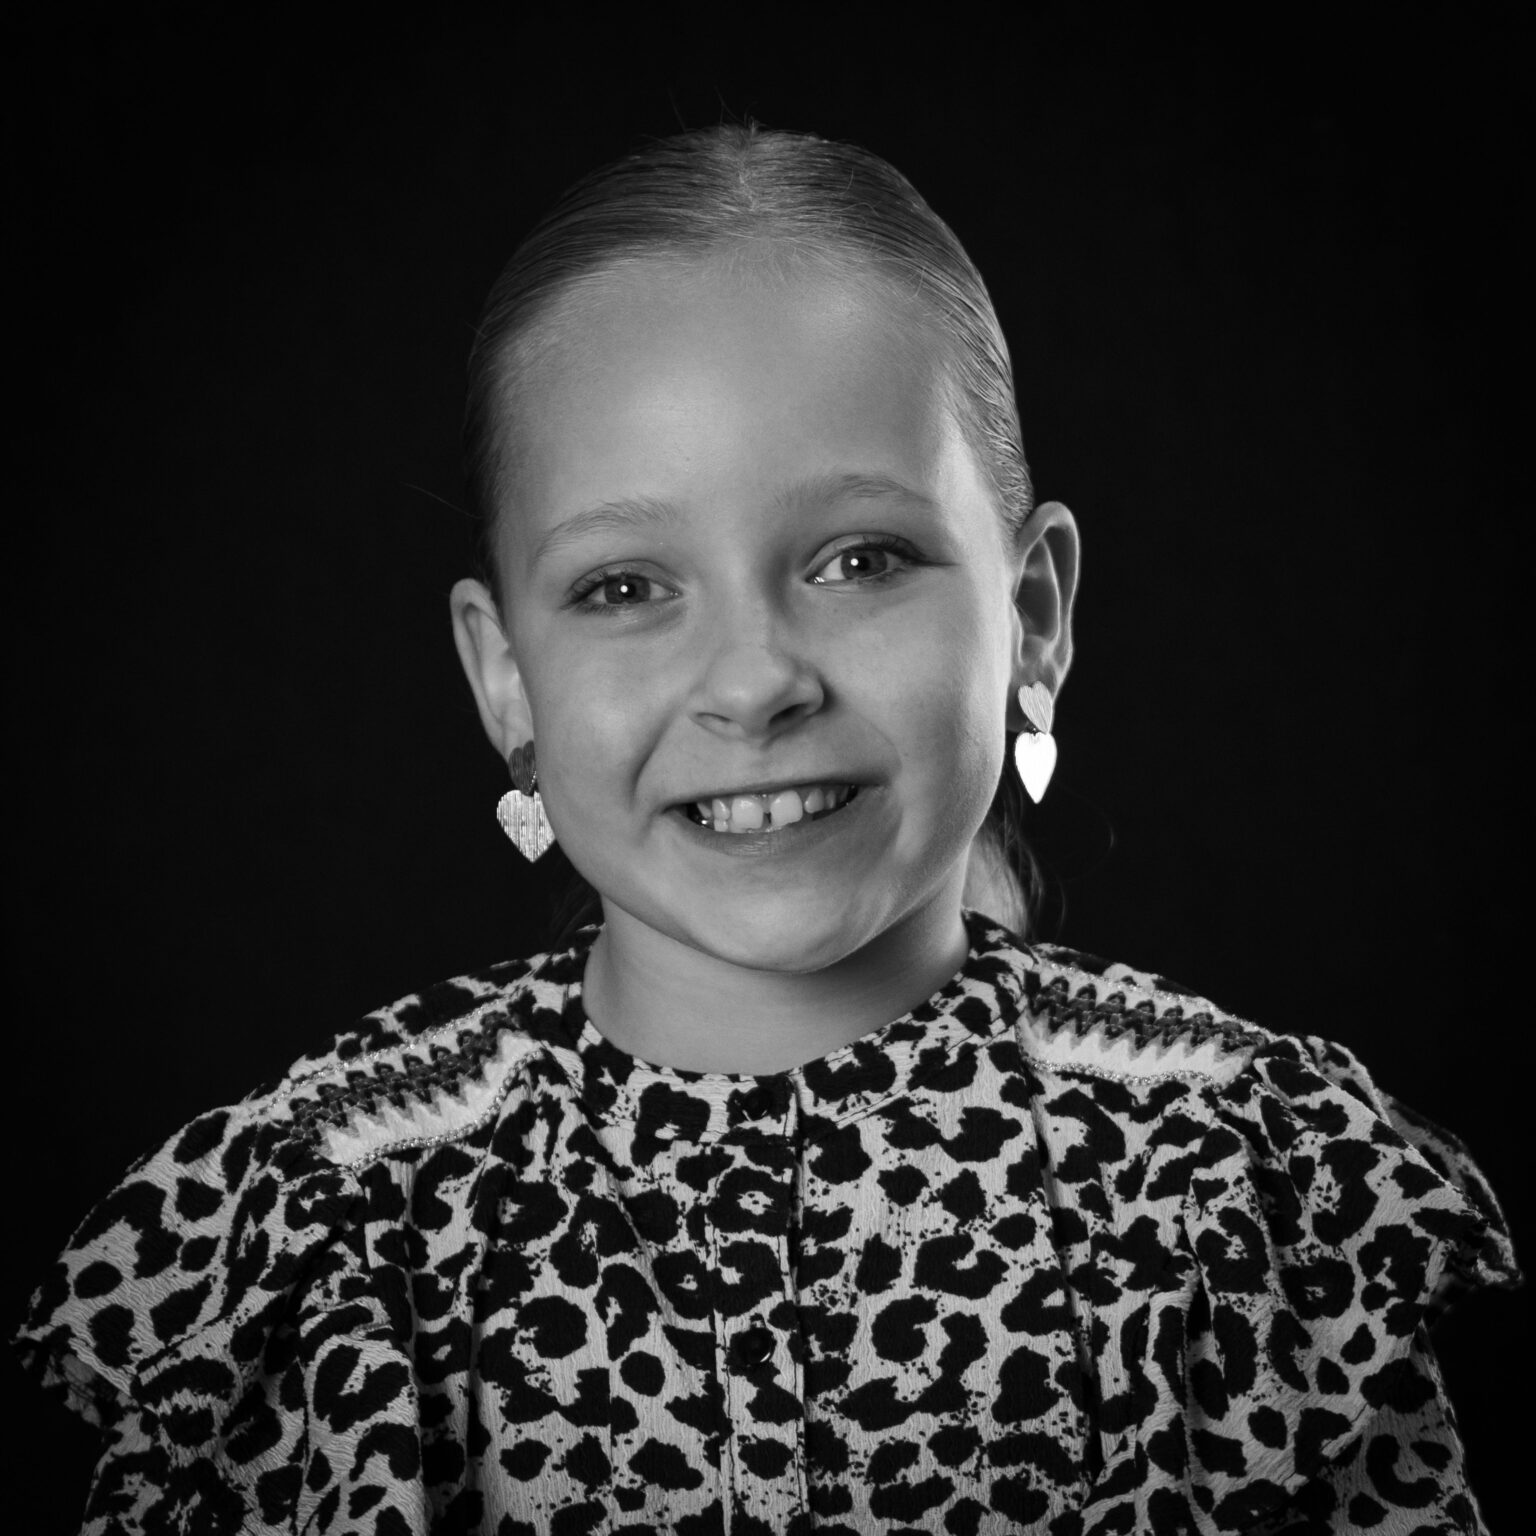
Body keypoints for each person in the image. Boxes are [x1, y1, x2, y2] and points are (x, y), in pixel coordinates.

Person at [14, 123, 1518, 1535]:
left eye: (861, 559)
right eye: (624, 587)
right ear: (504, 673)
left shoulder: (1236, 1192)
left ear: (1035, 613)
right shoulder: (332, 1220)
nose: (753, 683)